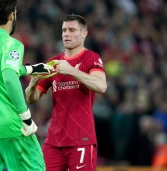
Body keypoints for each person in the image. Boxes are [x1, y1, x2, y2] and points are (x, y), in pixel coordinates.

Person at [0, 0, 53, 170]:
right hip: (10, 127)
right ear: (11, 15)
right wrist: (26, 117)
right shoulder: (12, 44)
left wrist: (31, 69)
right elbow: (8, 76)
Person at [25, 14, 107, 171]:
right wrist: (33, 84)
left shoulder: (91, 58)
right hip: (54, 140)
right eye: (64, 30)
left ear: (84, 33)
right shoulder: (54, 62)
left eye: (72, 30)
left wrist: (71, 71)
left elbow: (101, 86)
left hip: (81, 138)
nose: (66, 34)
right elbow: (32, 98)